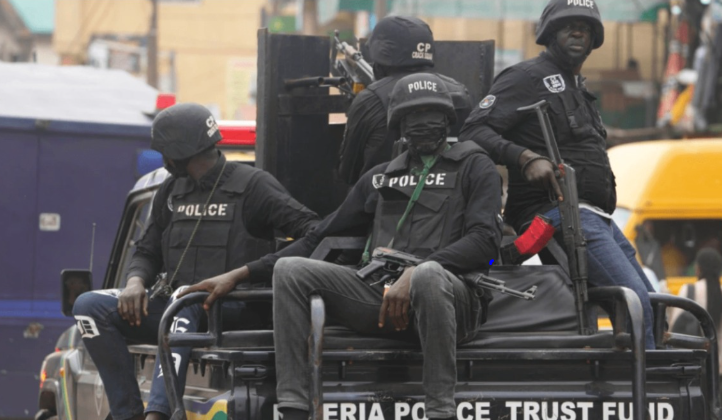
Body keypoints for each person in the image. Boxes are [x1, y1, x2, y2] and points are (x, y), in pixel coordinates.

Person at [184, 73, 502, 420]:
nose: (424, 123)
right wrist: (241, 274)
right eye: (413, 116)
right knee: (290, 271)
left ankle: (441, 412)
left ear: (447, 120)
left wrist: (419, 271)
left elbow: (485, 241)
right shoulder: (381, 177)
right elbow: (317, 237)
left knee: (428, 275)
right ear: (399, 125)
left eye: (432, 114)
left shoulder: (475, 165)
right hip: (384, 301)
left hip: (453, 304)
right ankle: (293, 408)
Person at [72, 103, 320, 420]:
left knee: (186, 298)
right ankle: (128, 413)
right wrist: (134, 282)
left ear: (178, 150)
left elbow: (313, 232)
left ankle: (159, 414)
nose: (163, 159)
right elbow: (147, 251)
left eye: (165, 151)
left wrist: (247, 272)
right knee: (88, 306)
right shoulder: (171, 190)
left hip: (234, 309)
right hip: (181, 306)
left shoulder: (253, 185)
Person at [459, 0, 658, 348]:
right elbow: (473, 130)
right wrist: (524, 157)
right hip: (556, 212)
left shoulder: (578, 88)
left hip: (595, 217)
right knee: (635, 302)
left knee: (654, 306)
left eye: (586, 26)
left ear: (595, 36)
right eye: (568, 25)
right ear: (550, 33)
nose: (578, 31)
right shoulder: (525, 77)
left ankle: (641, 387)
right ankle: (646, 394)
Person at [337, 15, 472, 185]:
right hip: (452, 205)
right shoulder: (459, 91)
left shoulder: (370, 99)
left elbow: (348, 171)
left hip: (384, 206)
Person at [669, 248, 722, 415]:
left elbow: (674, 330)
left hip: (693, 367)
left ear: (698, 268)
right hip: (718, 368)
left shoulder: (688, 290)